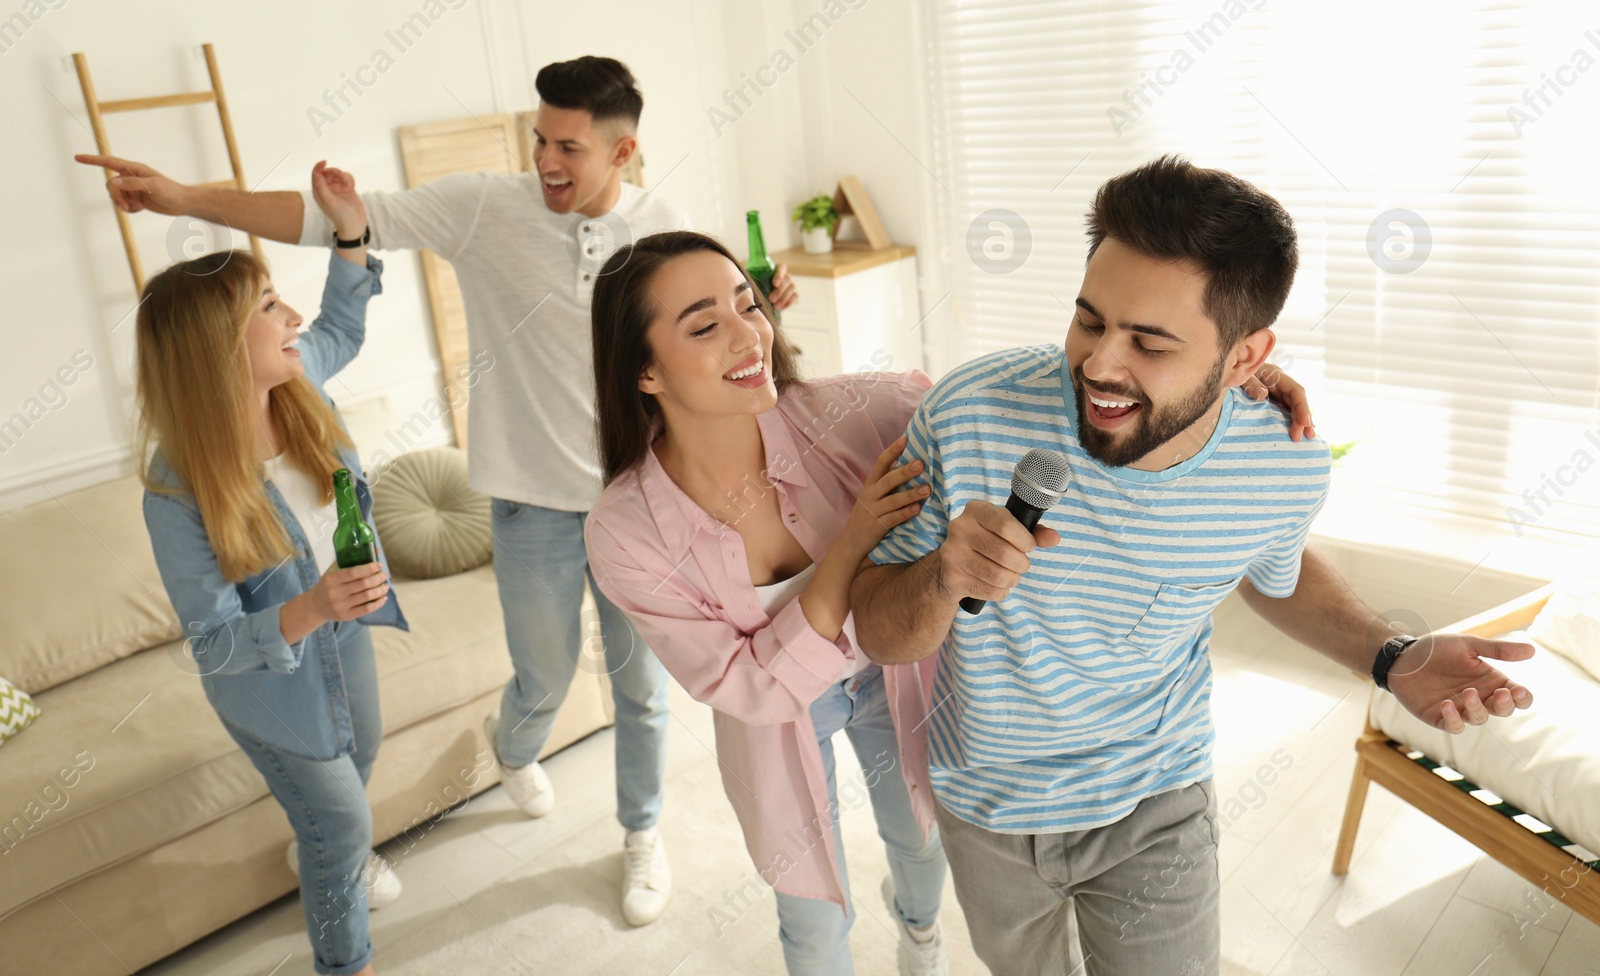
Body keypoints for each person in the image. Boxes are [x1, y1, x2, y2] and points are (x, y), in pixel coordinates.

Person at [78, 57, 795, 924]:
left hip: (638, 497)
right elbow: (327, 220)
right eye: (539, 139)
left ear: (623, 151)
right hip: (530, 504)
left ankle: (641, 832)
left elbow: (714, 312)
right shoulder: (485, 206)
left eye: (567, 145)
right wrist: (185, 198)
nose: (545, 160)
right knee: (542, 676)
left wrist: (766, 300)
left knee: (642, 688)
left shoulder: (665, 224)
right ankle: (514, 746)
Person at [849, 155, 1538, 976]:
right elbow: (880, 632)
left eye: (1150, 341)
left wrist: (1393, 656)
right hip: (986, 800)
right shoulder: (968, 414)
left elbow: (1272, 578)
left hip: (1156, 798)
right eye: (1089, 320)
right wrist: (941, 577)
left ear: (1247, 358)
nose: (1101, 363)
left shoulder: (1281, 466)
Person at [582, 230, 950, 976]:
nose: (751, 332)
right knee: (813, 919)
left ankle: (922, 938)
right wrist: (850, 543)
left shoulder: (850, 412)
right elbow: (744, 684)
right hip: (776, 719)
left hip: (891, 669)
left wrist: (1214, 388)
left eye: (748, 304)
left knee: (921, 838)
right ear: (646, 371)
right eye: (705, 324)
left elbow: (993, 402)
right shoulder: (624, 530)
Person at [140, 163, 401, 976]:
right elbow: (214, 644)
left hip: (348, 637)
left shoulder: (297, 384)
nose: (292, 318)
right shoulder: (175, 485)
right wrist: (314, 606)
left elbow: (343, 322)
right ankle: (343, 960)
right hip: (268, 682)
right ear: (220, 345)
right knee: (346, 825)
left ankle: (323, 848)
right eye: (268, 308)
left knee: (353, 781)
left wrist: (349, 229)